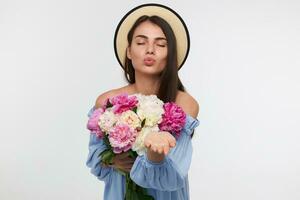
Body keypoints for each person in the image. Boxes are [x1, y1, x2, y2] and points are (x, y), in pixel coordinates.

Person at [86, 3, 200, 200]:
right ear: (129, 51)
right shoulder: (108, 101)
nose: (150, 50)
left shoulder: (184, 103)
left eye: (161, 44)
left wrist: (154, 152)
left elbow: (173, 174)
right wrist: (113, 160)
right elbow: (96, 161)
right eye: (141, 42)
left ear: (170, 54)